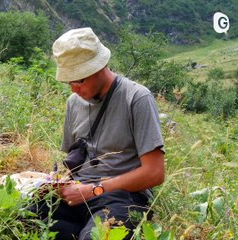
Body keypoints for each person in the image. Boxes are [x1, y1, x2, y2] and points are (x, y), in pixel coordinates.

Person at [32, 28, 165, 239]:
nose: (74, 89)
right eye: (69, 82)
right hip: (77, 196)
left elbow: (155, 172)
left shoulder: (137, 98)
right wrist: (56, 182)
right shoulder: (74, 102)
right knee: (20, 218)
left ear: (100, 66)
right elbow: (71, 162)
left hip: (122, 198)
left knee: (97, 236)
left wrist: (95, 189)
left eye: (79, 80)